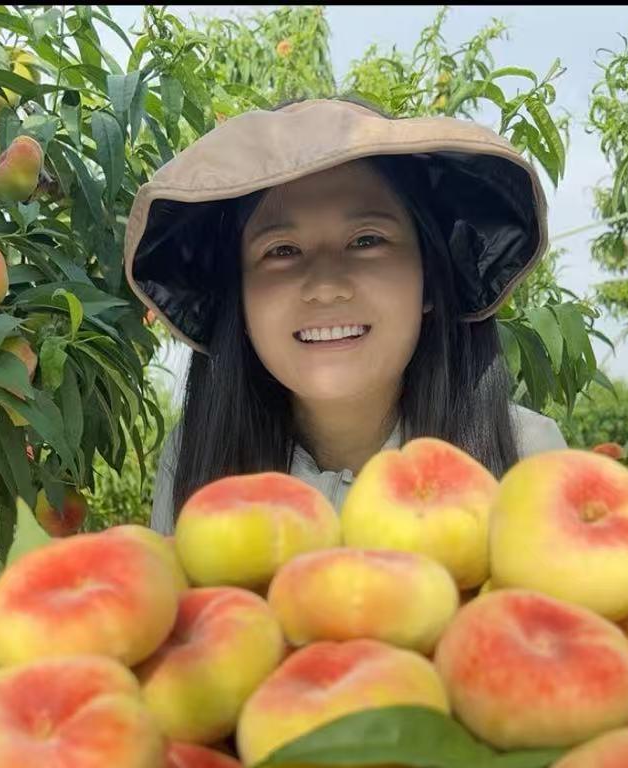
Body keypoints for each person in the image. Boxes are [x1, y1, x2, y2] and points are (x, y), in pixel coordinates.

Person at [122, 94, 568, 536]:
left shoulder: (527, 460)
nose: (325, 286)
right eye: (282, 250)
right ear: (238, 299)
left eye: (366, 240)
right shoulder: (197, 457)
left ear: (431, 279)